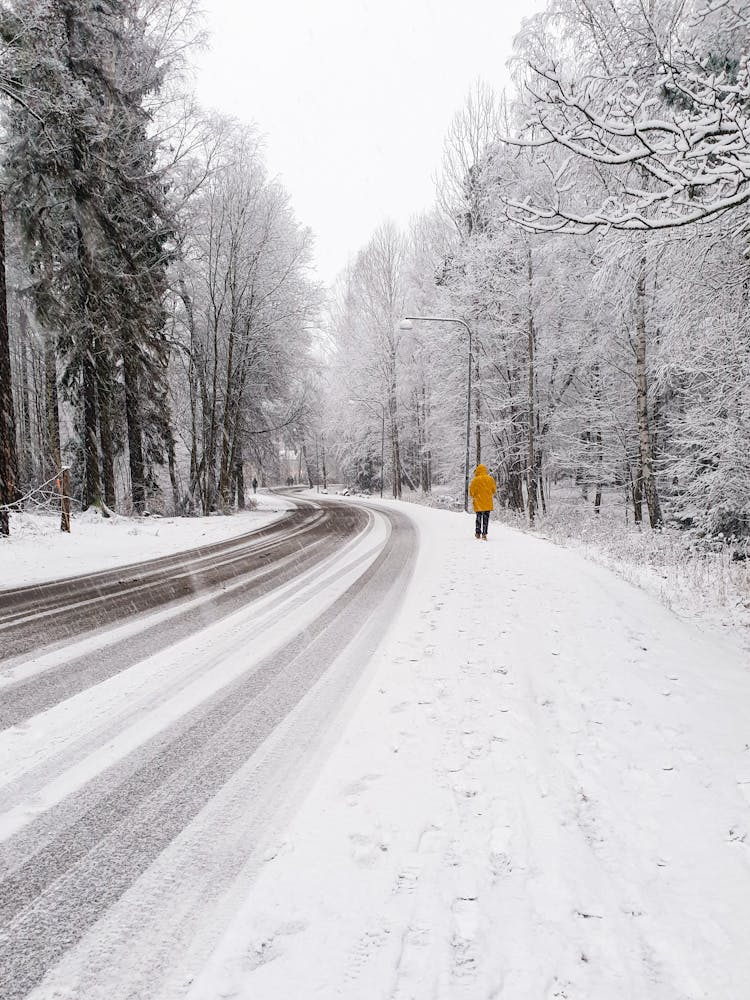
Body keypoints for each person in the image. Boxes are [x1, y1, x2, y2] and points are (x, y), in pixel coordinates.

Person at [469, 463, 496, 540]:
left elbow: (471, 492)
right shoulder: (490, 479)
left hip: (478, 502)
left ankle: (478, 533)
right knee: (486, 518)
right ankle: (484, 534)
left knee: (478, 517)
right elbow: (494, 490)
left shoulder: (475, 480)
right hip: (487, 502)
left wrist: (476, 495)